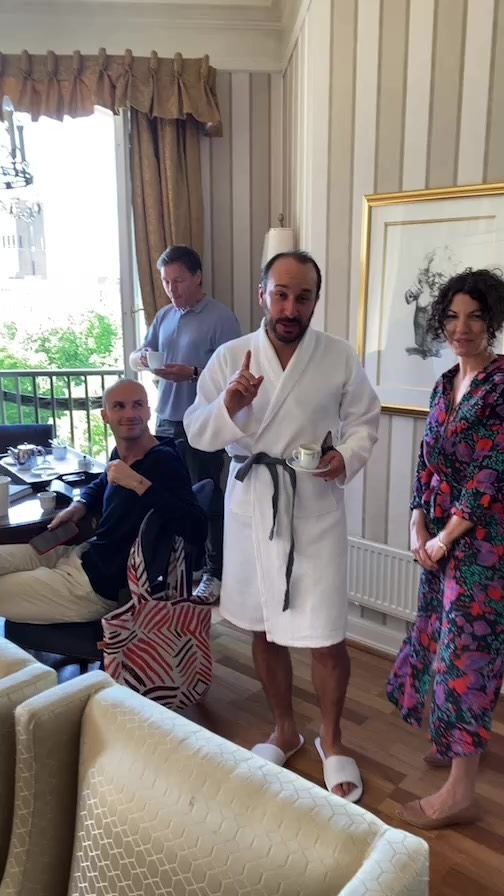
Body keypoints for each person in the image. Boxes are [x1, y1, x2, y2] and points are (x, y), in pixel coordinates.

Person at [183, 250, 380, 800]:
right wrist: (229, 405)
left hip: (313, 502)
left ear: (315, 300)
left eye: (303, 297)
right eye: (281, 294)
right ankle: (285, 730)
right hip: (252, 501)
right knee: (262, 627)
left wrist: (345, 456)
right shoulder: (231, 356)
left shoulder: (337, 356)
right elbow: (197, 430)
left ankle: (332, 741)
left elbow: (365, 420)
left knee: (327, 635)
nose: (291, 308)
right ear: (262, 295)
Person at [387, 268, 504, 830]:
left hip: (483, 547)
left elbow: (490, 474)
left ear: (492, 321)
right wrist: (417, 523)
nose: (463, 328)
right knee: (437, 638)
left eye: (476, 316)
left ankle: (461, 793)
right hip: (439, 537)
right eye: (453, 316)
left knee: (467, 656)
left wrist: (443, 536)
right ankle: (456, 741)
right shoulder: (443, 383)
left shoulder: (501, 386)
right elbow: (426, 462)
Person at [0, 379, 207, 623]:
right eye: (119, 406)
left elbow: (196, 528)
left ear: (149, 411)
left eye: (137, 405)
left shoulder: (164, 461)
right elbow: (103, 481)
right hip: (80, 555)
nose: (130, 414)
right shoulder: (122, 453)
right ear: (105, 416)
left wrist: (137, 483)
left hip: (93, 588)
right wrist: (81, 504)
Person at [130, 245, 241, 606]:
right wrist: (142, 359)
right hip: (166, 418)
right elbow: (137, 355)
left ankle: (215, 572)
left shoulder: (221, 318)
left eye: (177, 280)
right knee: (170, 495)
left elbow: (236, 376)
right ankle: (186, 566)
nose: (171, 288)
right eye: (165, 281)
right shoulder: (164, 315)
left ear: (197, 277)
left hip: (204, 421)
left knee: (206, 495)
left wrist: (192, 373)